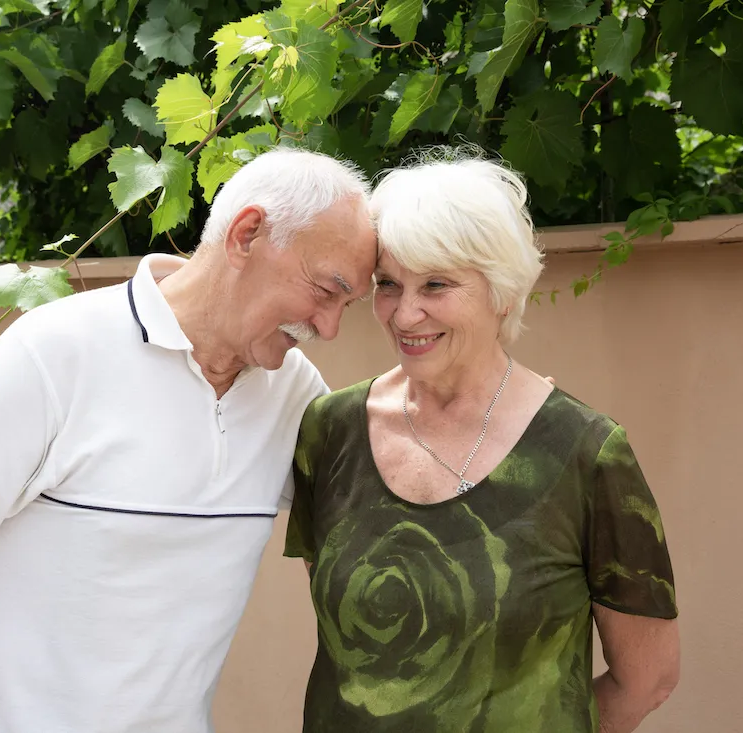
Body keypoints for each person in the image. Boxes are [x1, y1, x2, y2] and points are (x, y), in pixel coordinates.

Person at [0, 148, 377, 733]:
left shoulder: (293, 391)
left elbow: (359, 543)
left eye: (346, 305)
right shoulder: (56, 353)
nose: (328, 328)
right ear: (247, 234)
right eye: (326, 291)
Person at [284, 149, 680, 732]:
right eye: (389, 285)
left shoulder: (586, 453)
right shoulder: (330, 431)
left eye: (437, 284)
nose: (405, 314)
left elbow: (647, 679)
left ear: (500, 291)